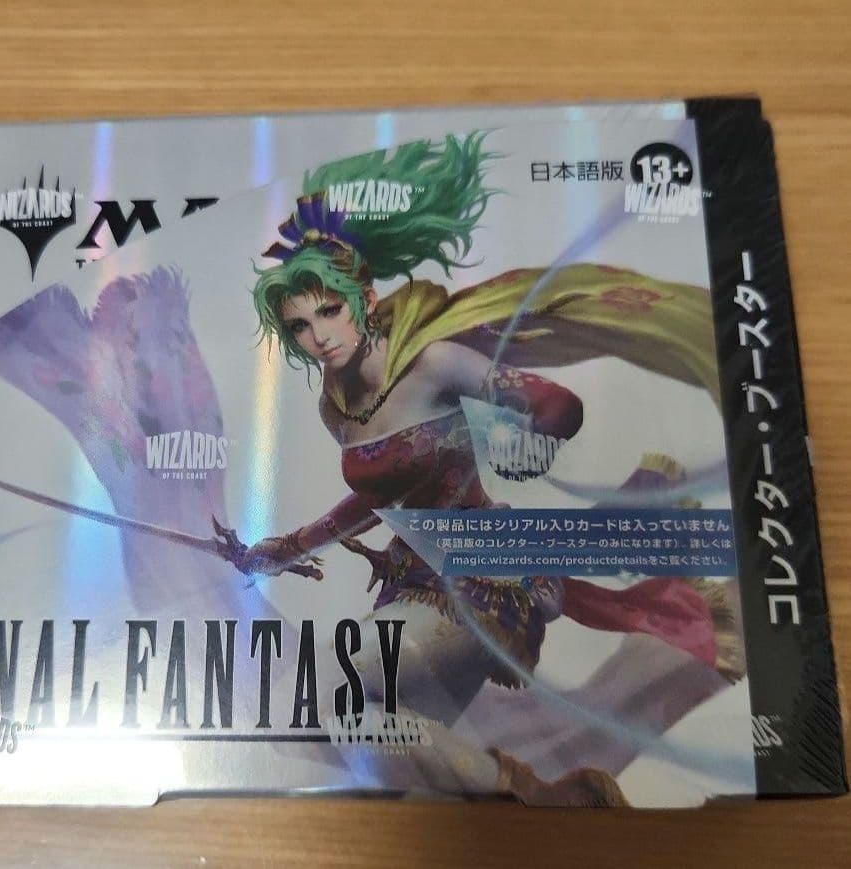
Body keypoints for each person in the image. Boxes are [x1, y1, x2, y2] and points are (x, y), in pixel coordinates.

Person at [238, 132, 743, 805]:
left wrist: (519, 437)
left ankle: (536, 799)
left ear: (364, 298)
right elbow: (379, 498)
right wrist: (289, 546)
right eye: (300, 325)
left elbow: (557, 405)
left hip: (481, 583)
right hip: (410, 587)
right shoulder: (336, 405)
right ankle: (559, 801)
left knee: (322, 694)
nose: (320, 335)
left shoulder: (432, 364)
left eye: (329, 311)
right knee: (343, 737)